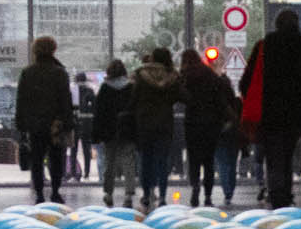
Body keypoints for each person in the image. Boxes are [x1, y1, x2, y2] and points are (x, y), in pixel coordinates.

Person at [240, 9, 301, 209]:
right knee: (287, 155)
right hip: (295, 113)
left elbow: (247, 81)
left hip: (269, 113)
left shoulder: (264, 47)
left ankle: (276, 196)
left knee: (273, 156)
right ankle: (286, 194)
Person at [17, 37, 76, 204]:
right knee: (56, 158)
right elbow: (65, 100)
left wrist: (21, 123)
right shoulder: (59, 72)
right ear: (53, 50)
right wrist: (67, 122)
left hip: (35, 124)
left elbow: (21, 99)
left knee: (37, 159)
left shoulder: (28, 73)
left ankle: (39, 193)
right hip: (55, 125)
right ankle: (56, 191)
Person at [132, 48, 188, 209]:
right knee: (162, 161)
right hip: (164, 123)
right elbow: (185, 98)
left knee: (145, 160)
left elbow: (133, 99)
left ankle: (147, 194)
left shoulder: (141, 76)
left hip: (144, 123)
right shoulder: (172, 78)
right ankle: (163, 195)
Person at [180, 49, 236, 207]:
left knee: (194, 159)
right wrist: (230, 117)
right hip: (211, 123)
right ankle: (208, 195)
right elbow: (220, 99)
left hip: (192, 123)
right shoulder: (210, 75)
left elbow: (181, 97)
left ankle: (195, 186)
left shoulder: (185, 76)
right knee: (209, 161)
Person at [93, 60, 137, 207]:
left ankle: (108, 193)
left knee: (109, 162)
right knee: (128, 161)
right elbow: (135, 110)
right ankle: (128, 194)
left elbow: (99, 112)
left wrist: (96, 134)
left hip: (109, 130)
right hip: (128, 130)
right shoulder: (131, 87)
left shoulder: (105, 88)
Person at [72, 72, 97, 180]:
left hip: (74, 122)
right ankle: (86, 173)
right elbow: (94, 107)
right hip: (86, 123)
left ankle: (74, 174)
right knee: (86, 150)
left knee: (74, 149)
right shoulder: (89, 91)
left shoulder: (72, 91)